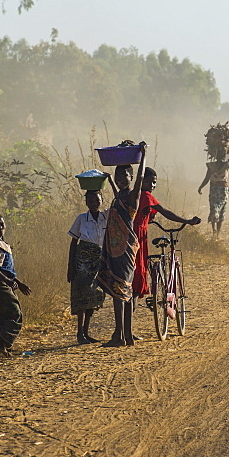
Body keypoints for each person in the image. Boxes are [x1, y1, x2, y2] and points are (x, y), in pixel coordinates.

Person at [96, 141, 147, 347]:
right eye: (118, 177)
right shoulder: (121, 196)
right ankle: (125, 335)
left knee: (120, 292)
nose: (120, 180)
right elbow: (117, 196)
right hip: (116, 249)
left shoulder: (133, 196)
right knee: (122, 292)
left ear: (131, 178)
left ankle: (122, 336)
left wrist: (143, 155)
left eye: (124, 177)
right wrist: (109, 181)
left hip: (125, 249)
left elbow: (141, 177)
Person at [134, 167, 200, 300]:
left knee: (136, 267)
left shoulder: (134, 195)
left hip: (133, 234)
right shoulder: (146, 196)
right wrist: (187, 221)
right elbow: (165, 212)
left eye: (154, 182)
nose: (151, 185)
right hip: (138, 235)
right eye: (148, 182)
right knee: (139, 268)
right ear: (141, 181)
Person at [0, 212, 32, 359]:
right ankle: (2, 343)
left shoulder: (4, 245)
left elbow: (6, 270)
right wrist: (9, 281)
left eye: (1, 225)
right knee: (15, 314)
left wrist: (18, 282)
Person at [67, 190, 107, 344]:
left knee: (93, 296)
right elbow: (73, 242)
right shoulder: (82, 219)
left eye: (96, 200)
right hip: (82, 261)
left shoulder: (106, 217)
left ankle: (86, 332)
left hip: (99, 260)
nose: (94, 204)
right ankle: (79, 334)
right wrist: (71, 266)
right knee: (81, 296)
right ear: (86, 203)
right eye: (90, 201)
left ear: (102, 200)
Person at [198, 143, 229, 236]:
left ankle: (214, 232)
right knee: (221, 210)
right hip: (223, 190)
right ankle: (216, 233)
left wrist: (201, 187)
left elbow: (207, 178)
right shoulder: (227, 164)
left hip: (214, 190)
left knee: (214, 209)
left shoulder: (211, 166)